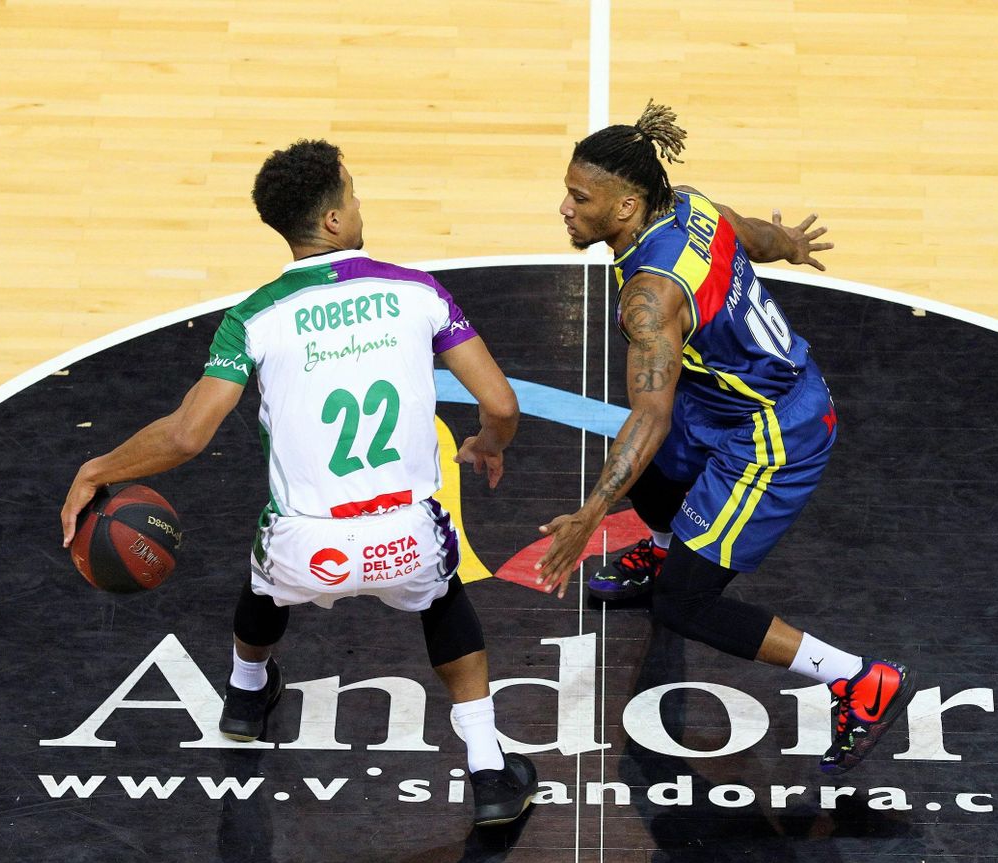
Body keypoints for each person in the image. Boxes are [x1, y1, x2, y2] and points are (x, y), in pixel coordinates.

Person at [60, 140, 535, 826]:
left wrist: (95, 468)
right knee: (444, 596)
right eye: (354, 193)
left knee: (262, 574)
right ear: (337, 220)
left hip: (305, 550)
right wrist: (489, 444)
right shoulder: (417, 290)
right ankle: (489, 770)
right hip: (405, 539)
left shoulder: (252, 317)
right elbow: (501, 405)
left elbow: (188, 434)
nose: (360, 203)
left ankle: (247, 694)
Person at [536, 102, 917, 774]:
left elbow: (648, 416)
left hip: (772, 433)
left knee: (686, 602)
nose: (564, 208)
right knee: (651, 475)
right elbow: (750, 236)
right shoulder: (689, 205)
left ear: (625, 206)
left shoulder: (650, 297)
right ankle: (660, 550)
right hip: (717, 400)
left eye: (578, 197)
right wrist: (789, 245)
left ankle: (855, 678)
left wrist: (591, 516)